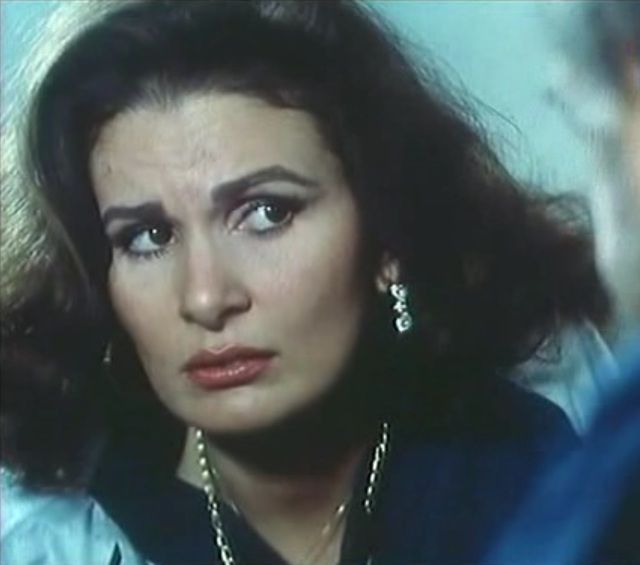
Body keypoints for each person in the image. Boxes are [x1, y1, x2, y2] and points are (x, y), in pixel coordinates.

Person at [0, 1, 612, 564]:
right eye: (148, 237)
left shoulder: (555, 455)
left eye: (268, 214)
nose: (207, 298)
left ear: (387, 239)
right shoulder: (50, 542)